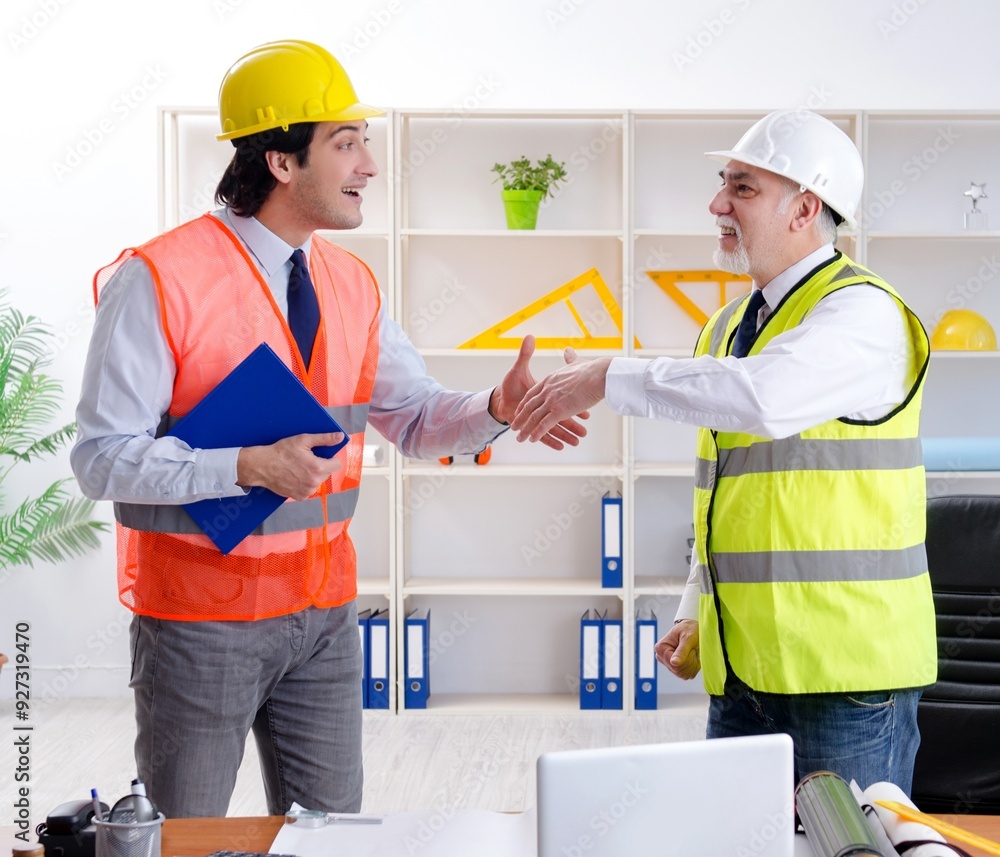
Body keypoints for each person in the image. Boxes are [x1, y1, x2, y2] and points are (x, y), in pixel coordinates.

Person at [70, 39, 585, 819]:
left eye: (364, 143)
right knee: (186, 833)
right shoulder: (160, 277)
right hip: (200, 621)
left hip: (323, 619)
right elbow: (102, 460)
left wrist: (495, 409)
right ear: (282, 161)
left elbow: (414, 420)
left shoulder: (349, 283)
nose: (369, 165)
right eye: (346, 144)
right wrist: (243, 464)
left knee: (336, 835)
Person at [511, 108, 937, 793]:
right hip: (741, 671)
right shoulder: (727, 326)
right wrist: (691, 607)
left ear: (804, 207)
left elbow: (767, 397)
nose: (716, 203)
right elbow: (728, 492)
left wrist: (604, 375)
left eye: (742, 187)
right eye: (724, 183)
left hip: (848, 681)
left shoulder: (864, 314)